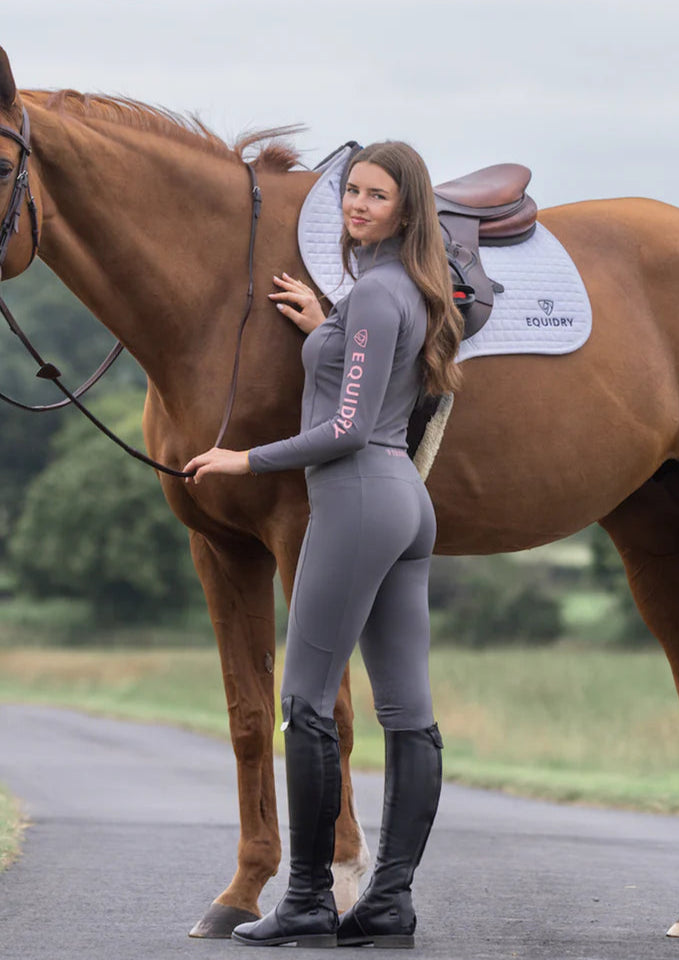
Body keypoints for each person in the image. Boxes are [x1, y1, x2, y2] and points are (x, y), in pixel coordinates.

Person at [184, 141, 463, 948]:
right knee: (408, 710)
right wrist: (324, 327)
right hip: (405, 503)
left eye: (378, 196)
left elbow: (344, 428)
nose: (358, 205)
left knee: (306, 700)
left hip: (357, 501)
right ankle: (390, 904)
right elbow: (366, 378)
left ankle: (307, 900)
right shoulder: (395, 292)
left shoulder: (378, 294)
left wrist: (245, 457)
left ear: (407, 211)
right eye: (354, 191)